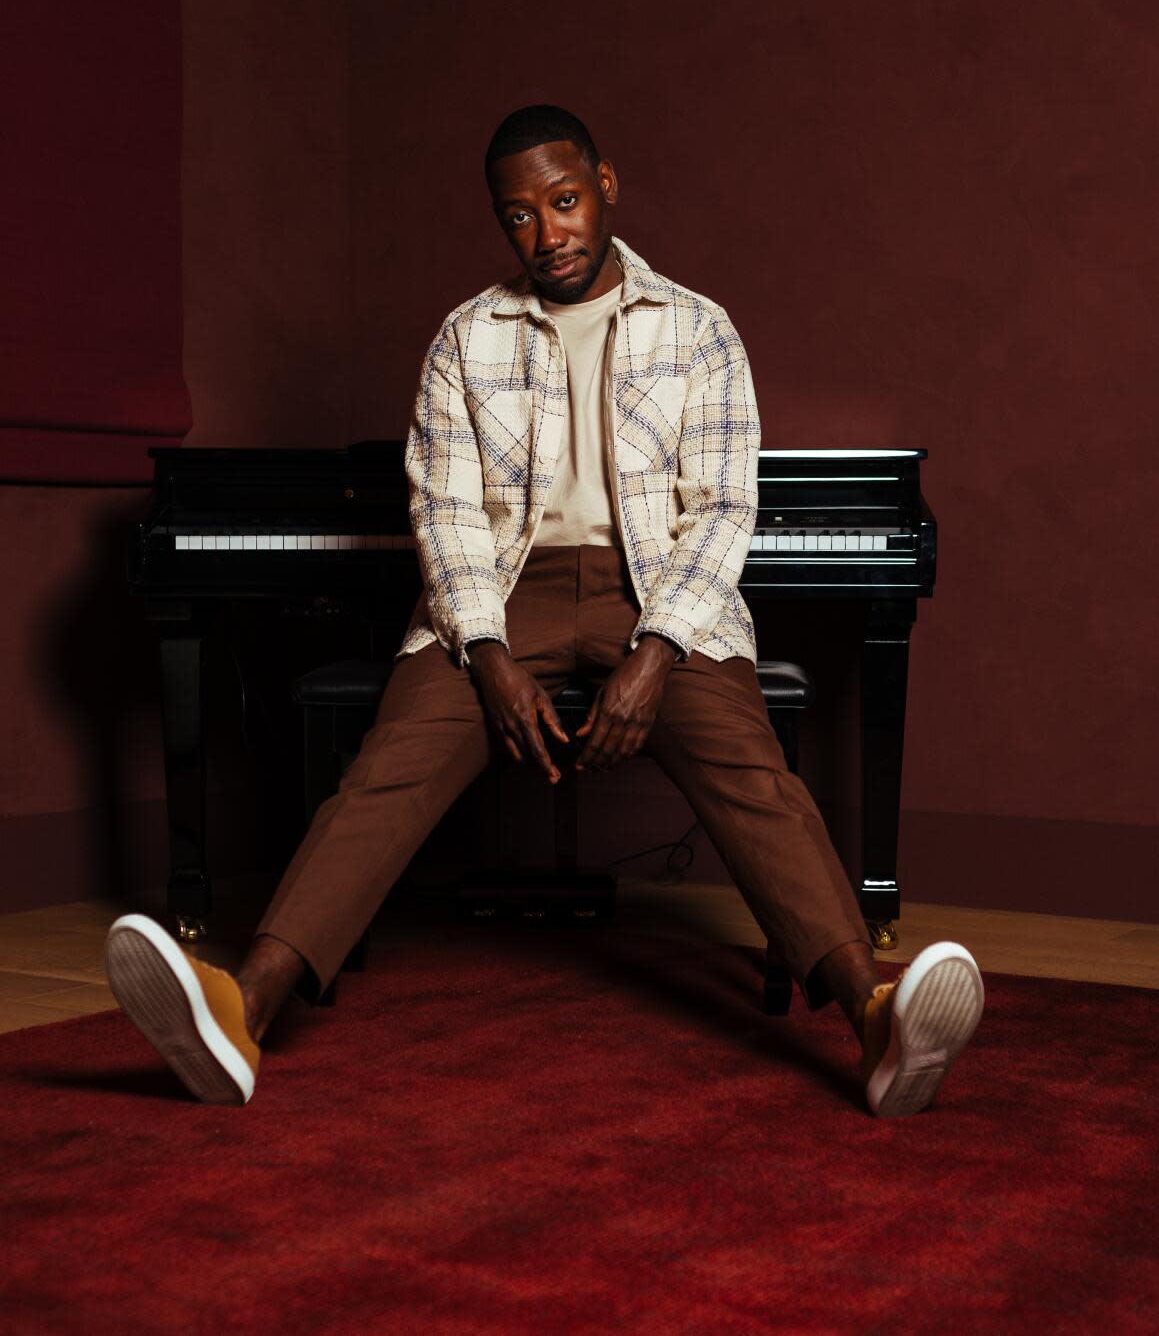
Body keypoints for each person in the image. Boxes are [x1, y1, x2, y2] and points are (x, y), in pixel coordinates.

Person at [104, 105, 983, 1117]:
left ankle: (874, 1016)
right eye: (517, 216)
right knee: (385, 771)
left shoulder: (697, 328)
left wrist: (656, 654)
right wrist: (484, 653)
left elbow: (723, 511)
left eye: (563, 202)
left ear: (606, 185)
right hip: (501, 598)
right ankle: (238, 1015)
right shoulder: (463, 339)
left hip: (653, 598)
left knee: (753, 773)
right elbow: (443, 515)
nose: (547, 232)